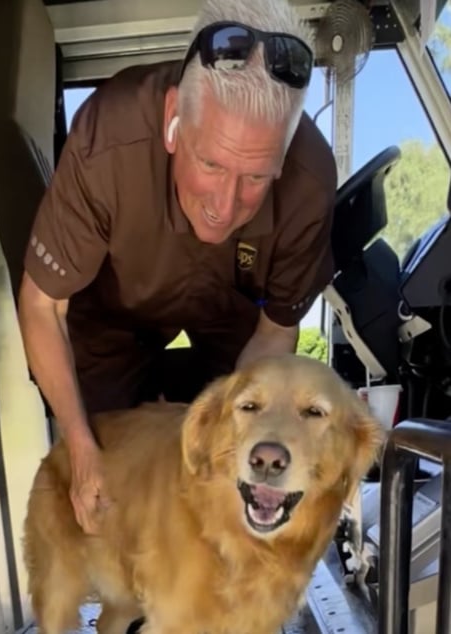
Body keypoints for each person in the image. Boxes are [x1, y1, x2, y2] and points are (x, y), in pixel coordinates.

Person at [17, 0, 338, 538]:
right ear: (172, 122)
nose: (225, 203)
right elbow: (42, 305)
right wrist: (79, 442)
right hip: (110, 318)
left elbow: (276, 329)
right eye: (211, 163)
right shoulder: (107, 139)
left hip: (226, 322)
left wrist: (231, 445)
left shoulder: (309, 179)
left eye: (256, 177)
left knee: (216, 489)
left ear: (282, 159)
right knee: (114, 487)